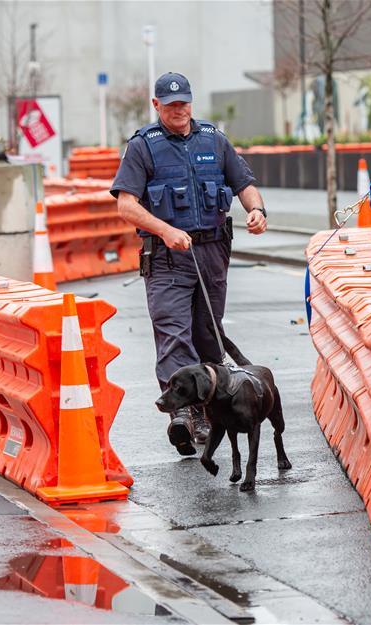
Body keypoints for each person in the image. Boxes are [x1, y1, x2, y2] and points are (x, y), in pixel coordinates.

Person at [110, 72, 267, 456]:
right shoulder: (143, 147)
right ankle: (185, 415)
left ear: (191, 103)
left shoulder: (214, 140)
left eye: (184, 103)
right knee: (173, 333)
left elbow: (244, 183)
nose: (179, 110)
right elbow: (126, 204)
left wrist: (257, 210)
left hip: (212, 252)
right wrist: (164, 230)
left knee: (208, 335)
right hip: (167, 256)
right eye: (171, 104)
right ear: (157, 105)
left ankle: (212, 406)